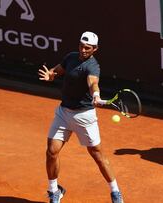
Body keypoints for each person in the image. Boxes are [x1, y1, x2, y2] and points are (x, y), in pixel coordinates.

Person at [38, 31, 124, 203]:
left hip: (84, 116)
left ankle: (115, 192)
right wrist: (52, 74)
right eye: (81, 46)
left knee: (97, 155)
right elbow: (59, 69)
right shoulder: (71, 57)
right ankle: (54, 191)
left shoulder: (92, 66)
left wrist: (96, 95)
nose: (83, 50)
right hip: (63, 113)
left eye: (88, 48)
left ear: (95, 49)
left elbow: (93, 83)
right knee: (51, 151)